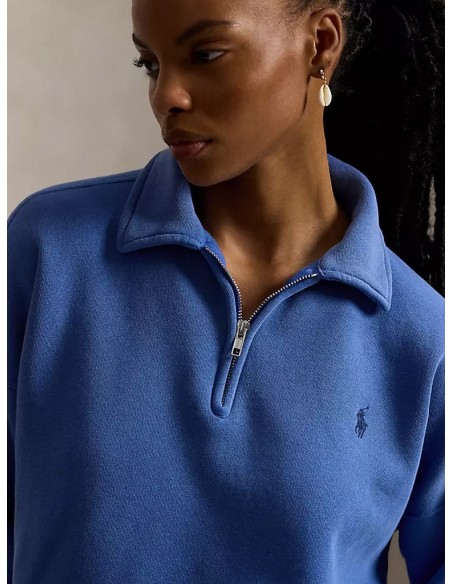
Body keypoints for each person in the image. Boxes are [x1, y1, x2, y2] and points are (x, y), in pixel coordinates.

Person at [7, 0, 444, 583]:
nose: (165, 97)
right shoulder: (47, 253)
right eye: (150, 64)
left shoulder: (424, 340)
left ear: (320, 43)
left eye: (206, 54)